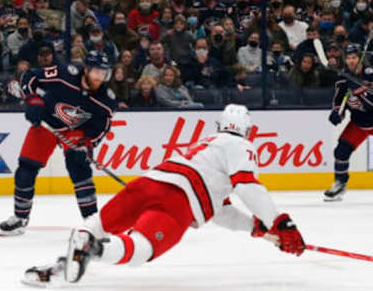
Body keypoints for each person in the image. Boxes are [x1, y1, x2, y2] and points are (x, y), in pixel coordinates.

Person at [21, 104, 306, 286]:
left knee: (97, 225)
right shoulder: (241, 147)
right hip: (177, 204)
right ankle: (94, 250)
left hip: (147, 183)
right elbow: (246, 185)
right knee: (139, 250)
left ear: (219, 126)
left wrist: (258, 229)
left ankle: (64, 265)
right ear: (247, 130)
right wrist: (282, 223)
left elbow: (220, 210)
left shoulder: (206, 144)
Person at [0, 51, 118, 235]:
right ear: (86, 69)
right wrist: (32, 100)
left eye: (104, 74)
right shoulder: (64, 74)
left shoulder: (106, 100)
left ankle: (93, 224)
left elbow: (101, 127)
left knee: (79, 167)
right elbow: (29, 77)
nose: (99, 78)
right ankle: (20, 217)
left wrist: (87, 142)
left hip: (75, 131)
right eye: (96, 72)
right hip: (48, 123)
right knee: (26, 168)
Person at [324, 44, 373, 201]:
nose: (351, 61)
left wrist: (359, 89)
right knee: (341, 152)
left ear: (360, 59)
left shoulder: (370, 74)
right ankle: (340, 184)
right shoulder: (343, 77)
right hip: (359, 123)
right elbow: (339, 99)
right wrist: (337, 112)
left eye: (354, 58)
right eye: (349, 58)